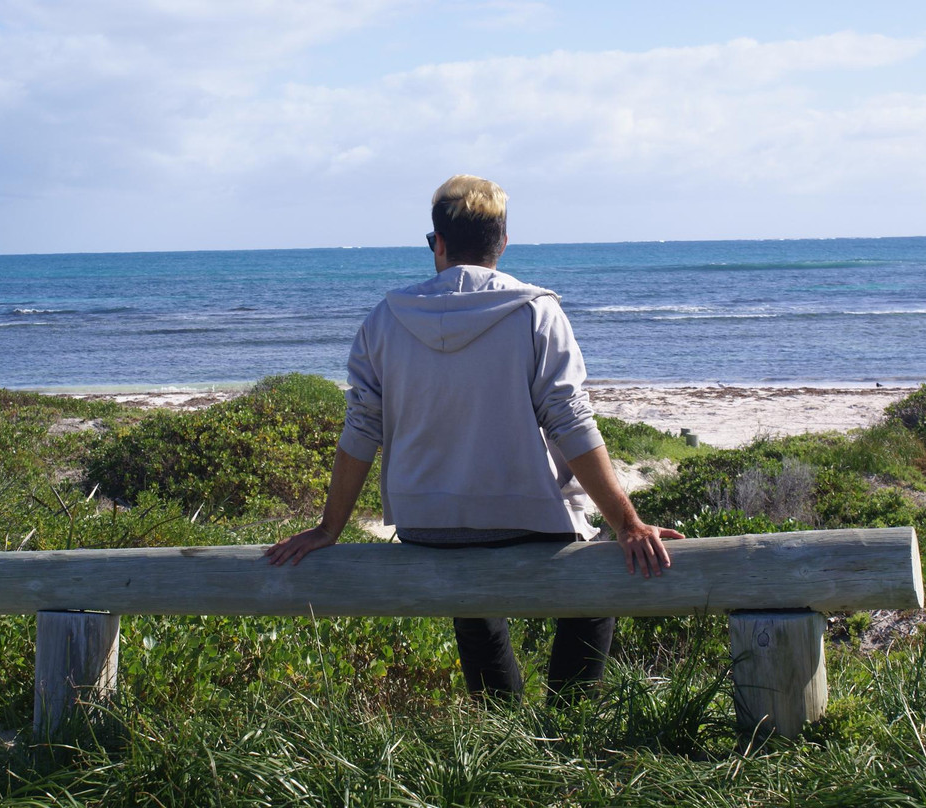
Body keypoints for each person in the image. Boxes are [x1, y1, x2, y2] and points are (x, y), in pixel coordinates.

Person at [266, 174, 683, 703]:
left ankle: (502, 732)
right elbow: (570, 420)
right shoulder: (535, 311)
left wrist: (329, 528)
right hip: (526, 524)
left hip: (427, 528)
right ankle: (568, 727)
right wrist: (628, 523)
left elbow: (361, 429)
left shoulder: (386, 318)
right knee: (595, 587)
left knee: (471, 597)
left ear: (436, 243)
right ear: (502, 244)